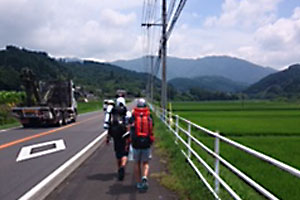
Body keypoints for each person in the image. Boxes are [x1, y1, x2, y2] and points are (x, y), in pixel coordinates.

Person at [103, 97, 131, 181]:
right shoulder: (126, 111)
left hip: (115, 133)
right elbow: (129, 123)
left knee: (118, 152)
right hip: (124, 133)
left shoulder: (113, 111)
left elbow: (109, 124)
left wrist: (108, 137)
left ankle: (119, 168)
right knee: (125, 153)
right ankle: (123, 166)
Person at [130, 98, 154, 191]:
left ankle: (138, 183)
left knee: (137, 163)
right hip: (146, 142)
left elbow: (130, 127)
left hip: (136, 143)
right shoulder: (148, 115)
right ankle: (144, 177)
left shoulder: (133, 115)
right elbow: (152, 128)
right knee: (145, 163)